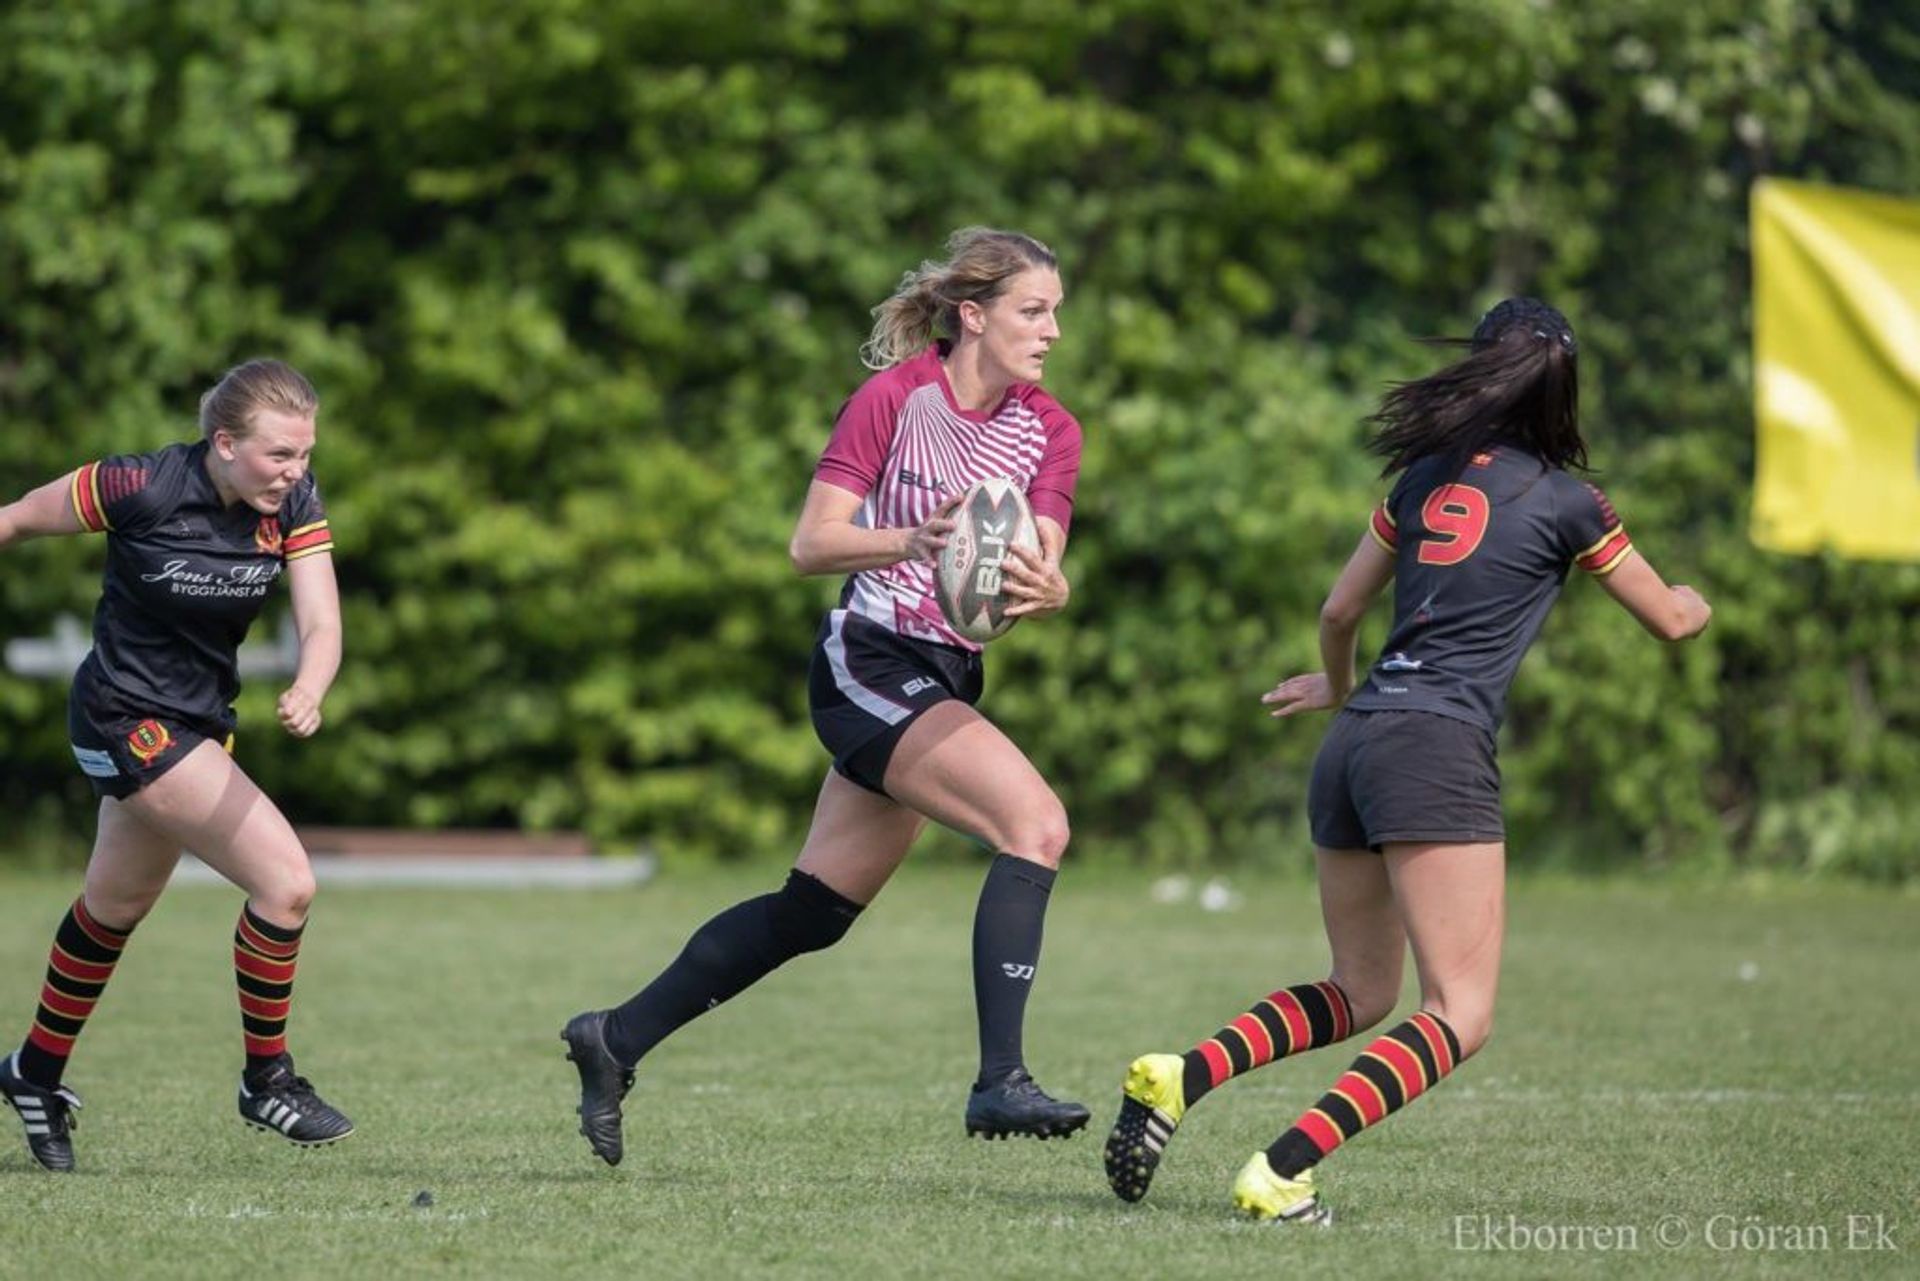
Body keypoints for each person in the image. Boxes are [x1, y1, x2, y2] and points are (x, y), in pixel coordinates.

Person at [1102, 298, 1712, 1223]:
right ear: (1561, 384)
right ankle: (1282, 1169)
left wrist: (1340, 689)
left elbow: (1340, 613)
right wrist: (1696, 601)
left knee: (1360, 990)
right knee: (1460, 1012)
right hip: (1435, 746)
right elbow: (1668, 620)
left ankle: (1180, 1075)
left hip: (1356, 738)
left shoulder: (1420, 480)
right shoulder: (1565, 498)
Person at [562, 227, 1090, 1165]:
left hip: (949, 669)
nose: (1052, 330)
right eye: (1033, 310)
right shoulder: (893, 400)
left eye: (1055, 312)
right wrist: (909, 540)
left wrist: (1050, 589)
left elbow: (1040, 569)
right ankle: (999, 1081)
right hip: (873, 658)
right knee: (1036, 825)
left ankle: (615, 1037)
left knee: (813, 913)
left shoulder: (1052, 429)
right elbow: (811, 545)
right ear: (973, 316)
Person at [0, 359, 352, 1172]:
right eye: (280, 455)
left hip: (197, 724)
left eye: (304, 454)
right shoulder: (138, 484)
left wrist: (310, 683)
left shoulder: (292, 503)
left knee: (113, 906)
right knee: (286, 880)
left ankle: (33, 1071)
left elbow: (322, 618)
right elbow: (15, 518)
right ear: (223, 442)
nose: (296, 472)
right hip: (122, 717)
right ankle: (267, 1079)